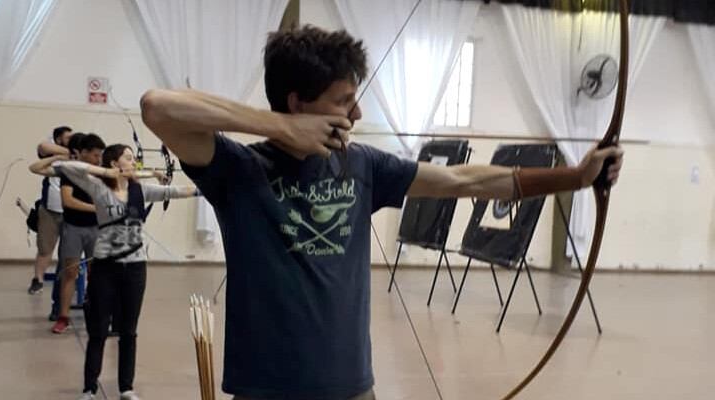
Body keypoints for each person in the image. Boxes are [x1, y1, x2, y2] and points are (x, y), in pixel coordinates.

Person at [139, 25, 624, 400]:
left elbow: (466, 180)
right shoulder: (239, 170)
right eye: (343, 101)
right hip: (267, 389)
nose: (356, 114)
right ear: (297, 103)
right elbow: (157, 106)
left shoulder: (362, 165)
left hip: (352, 385)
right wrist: (282, 128)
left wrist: (575, 179)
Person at [29, 144, 200, 400]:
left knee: (129, 331)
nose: (135, 163)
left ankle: (126, 388)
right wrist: (102, 172)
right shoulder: (97, 188)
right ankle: (89, 388)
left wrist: (208, 188)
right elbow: (61, 167)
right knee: (98, 331)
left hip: (135, 269)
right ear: (113, 164)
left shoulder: (140, 190)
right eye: (129, 158)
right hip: (106, 268)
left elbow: (177, 191)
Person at [50, 133, 106, 334]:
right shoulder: (70, 172)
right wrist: (96, 209)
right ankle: (63, 317)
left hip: (95, 230)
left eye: (100, 156)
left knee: (97, 274)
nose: (98, 160)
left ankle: (96, 315)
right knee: (70, 273)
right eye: (94, 155)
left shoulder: (99, 173)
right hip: (73, 228)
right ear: (82, 153)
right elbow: (68, 201)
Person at [28, 126, 74, 295]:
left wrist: (71, 154)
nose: (71, 139)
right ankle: (38, 280)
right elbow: (43, 146)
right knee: (45, 249)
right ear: (58, 138)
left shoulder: (76, 153)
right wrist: (63, 155)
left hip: (71, 211)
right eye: (67, 137)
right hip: (50, 210)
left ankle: (65, 282)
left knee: (68, 251)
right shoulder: (49, 153)